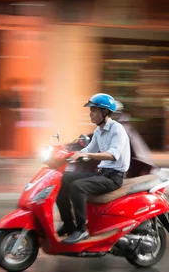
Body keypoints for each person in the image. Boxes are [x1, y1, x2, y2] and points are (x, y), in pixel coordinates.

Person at [56, 93, 131, 244]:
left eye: (94, 110)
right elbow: (88, 149)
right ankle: (69, 224)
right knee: (61, 179)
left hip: (114, 178)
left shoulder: (118, 130)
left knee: (78, 187)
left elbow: (112, 155)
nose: (90, 113)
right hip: (102, 173)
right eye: (90, 110)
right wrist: (68, 154)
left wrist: (88, 154)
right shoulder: (98, 131)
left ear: (104, 112)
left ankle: (82, 230)